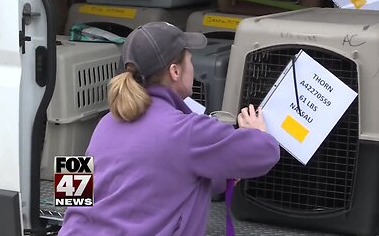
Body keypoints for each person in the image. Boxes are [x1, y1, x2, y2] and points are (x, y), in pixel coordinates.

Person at [58, 22, 280, 236]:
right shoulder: (187, 130)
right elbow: (265, 153)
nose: (192, 67)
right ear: (175, 71)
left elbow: (75, 192)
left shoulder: (106, 121)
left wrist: (221, 176)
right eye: (190, 60)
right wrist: (257, 132)